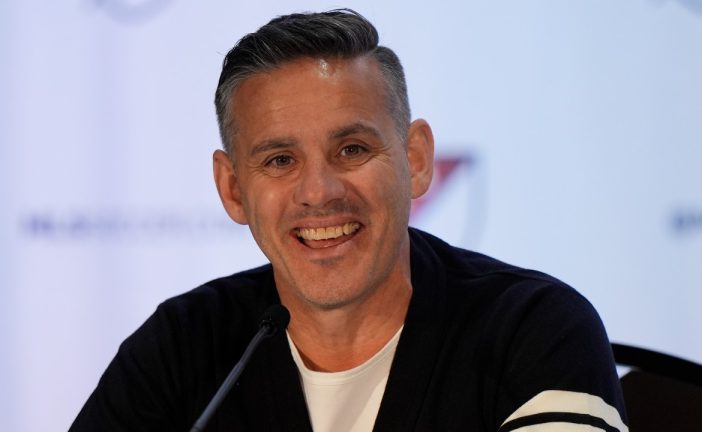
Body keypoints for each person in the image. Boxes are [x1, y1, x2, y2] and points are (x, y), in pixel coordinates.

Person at [70, 9, 627, 432]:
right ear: (233, 189)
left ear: (415, 160)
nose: (319, 192)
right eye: (280, 161)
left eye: (353, 149)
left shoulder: (534, 329)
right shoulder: (183, 346)